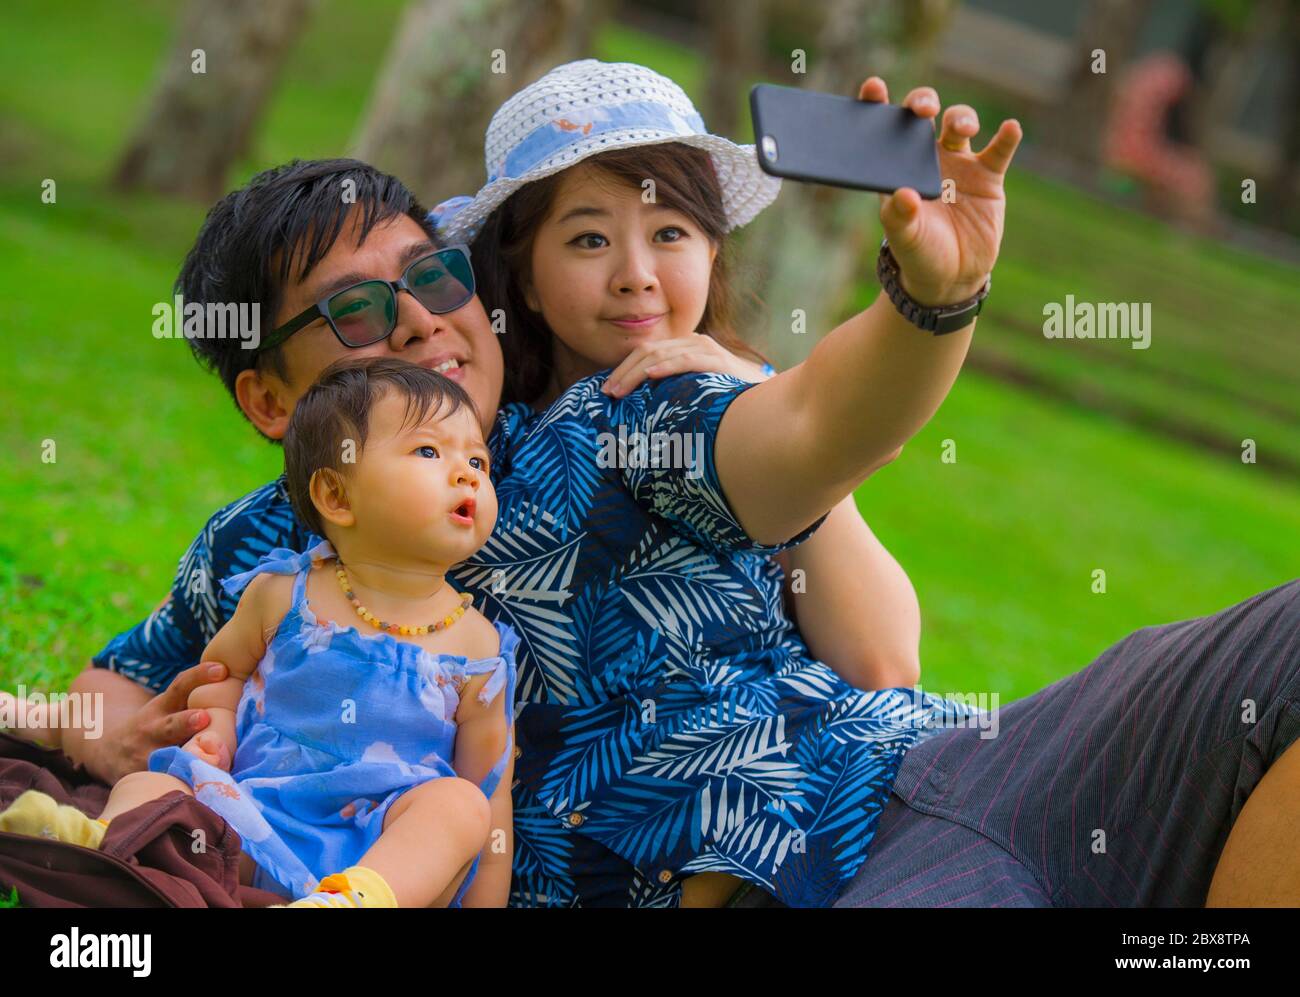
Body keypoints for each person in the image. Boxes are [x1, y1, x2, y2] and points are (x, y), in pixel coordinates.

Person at [1, 360, 519, 907]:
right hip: (248, 822)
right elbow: (220, 675)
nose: (468, 474)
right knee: (155, 785)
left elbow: (491, 801)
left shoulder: (478, 649)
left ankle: (347, 901)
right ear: (337, 497)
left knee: (460, 805)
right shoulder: (283, 593)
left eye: (478, 460)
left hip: (378, 851)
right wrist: (216, 733)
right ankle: (99, 844)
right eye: (429, 452)